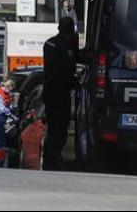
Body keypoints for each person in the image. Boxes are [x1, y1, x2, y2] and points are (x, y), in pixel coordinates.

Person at [41, 16, 79, 171]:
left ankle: (51, 160)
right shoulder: (63, 46)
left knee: (55, 129)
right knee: (59, 130)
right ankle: (53, 161)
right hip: (59, 93)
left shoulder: (50, 43)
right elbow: (65, 71)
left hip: (51, 92)